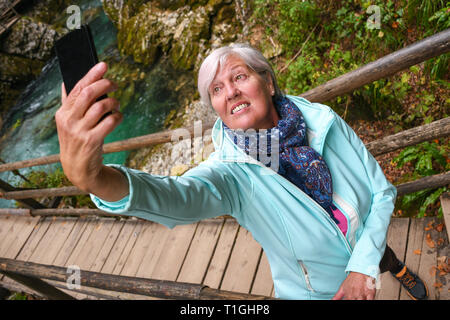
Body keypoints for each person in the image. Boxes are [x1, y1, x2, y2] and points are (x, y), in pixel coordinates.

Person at [55, 43, 428, 300]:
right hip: (320, 291)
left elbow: (380, 193)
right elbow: (176, 196)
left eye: (238, 77)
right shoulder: (232, 175)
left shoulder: (323, 122)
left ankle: (393, 267)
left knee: (379, 252)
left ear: (267, 81)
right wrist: (96, 179)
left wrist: (364, 266)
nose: (230, 92)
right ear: (216, 109)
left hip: (367, 244)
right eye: (216, 89)